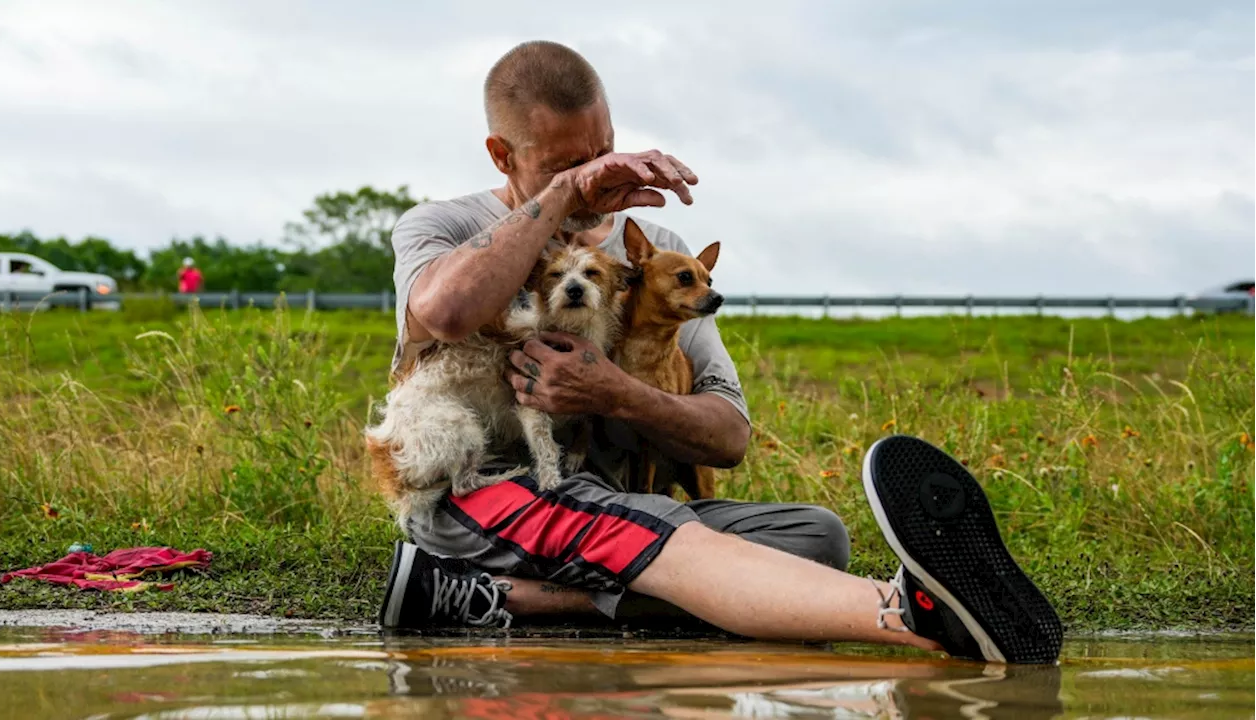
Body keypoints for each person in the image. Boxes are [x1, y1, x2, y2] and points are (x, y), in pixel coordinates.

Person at [376, 40, 1062, 664]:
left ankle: (496, 599)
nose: (596, 177)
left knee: (814, 538)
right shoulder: (443, 226)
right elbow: (445, 312)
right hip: (483, 491)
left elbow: (728, 438)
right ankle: (911, 612)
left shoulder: (657, 255)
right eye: (567, 165)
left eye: (602, 152)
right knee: (657, 523)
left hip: (615, 504)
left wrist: (614, 392)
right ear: (502, 155)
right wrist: (562, 199)